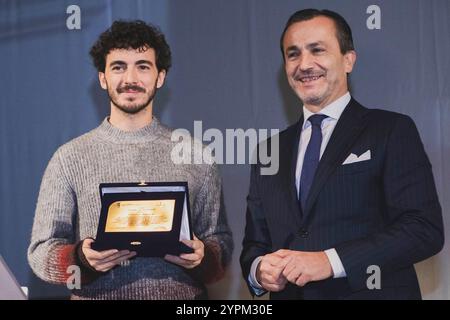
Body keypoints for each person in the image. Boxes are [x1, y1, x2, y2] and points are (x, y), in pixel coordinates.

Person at [240, 9, 444, 299]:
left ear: (348, 60)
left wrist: (331, 261)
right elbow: (255, 245)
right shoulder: (268, 151)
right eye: (293, 54)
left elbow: (423, 230)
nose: (304, 64)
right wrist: (259, 270)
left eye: (317, 50)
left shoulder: (390, 130)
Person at [28, 20, 233, 300]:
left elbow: (220, 243)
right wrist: (80, 260)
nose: (130, 79)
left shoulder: (196, 155)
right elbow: (40, 251)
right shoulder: (69, 158)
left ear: (160, 76)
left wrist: (203, 257)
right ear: (103, 78)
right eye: (118, 66)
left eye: (143, 66)